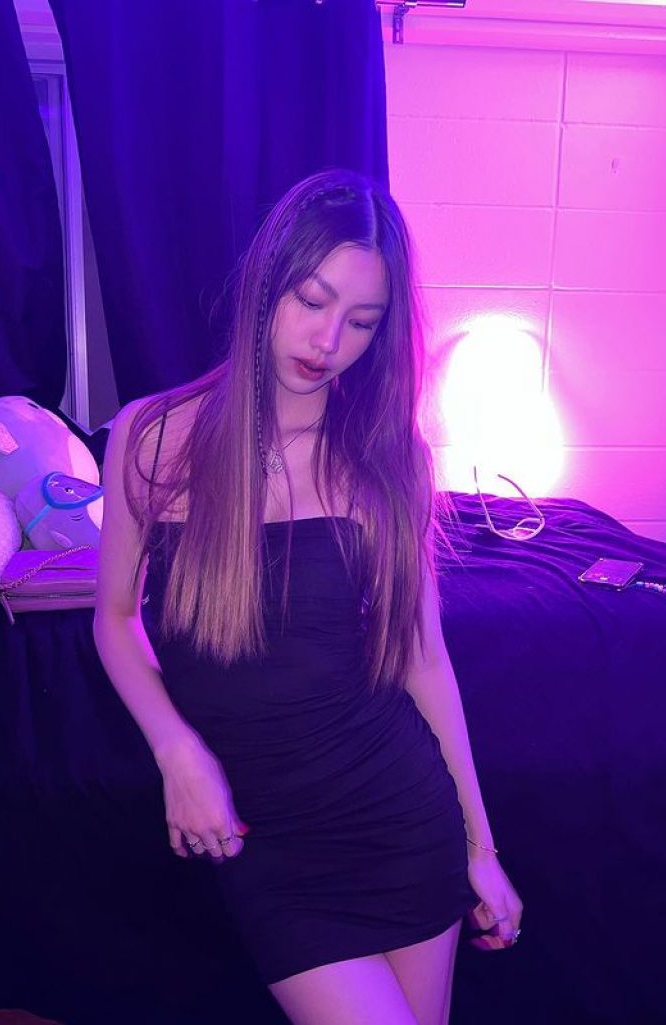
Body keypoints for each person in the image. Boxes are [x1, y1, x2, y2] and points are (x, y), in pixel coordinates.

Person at [94, 168, 523, 1025]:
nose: (328, 339)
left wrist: (481, 847)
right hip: (272, 846)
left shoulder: (385, 461)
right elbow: (113, 618)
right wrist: (176, 749)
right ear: (267, 283)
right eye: (312, 298)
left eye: (361, 321)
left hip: (400, 821)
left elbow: (422, 660)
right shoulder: (151, 436)